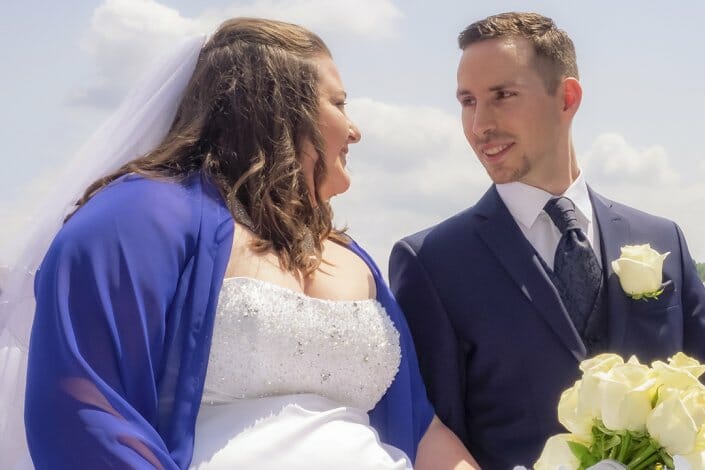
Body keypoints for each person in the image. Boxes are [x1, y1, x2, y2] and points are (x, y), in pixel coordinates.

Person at [3, 17, 478, 470]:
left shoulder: (351, 258)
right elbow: (85, 406)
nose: (354, 129)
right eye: (339, 103)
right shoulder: (139, 217)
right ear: (277, 108)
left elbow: (420, 428)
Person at [389, 11, 705, 469]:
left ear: (567, 97)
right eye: (468, 101)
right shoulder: (432, 263)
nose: (480, 125)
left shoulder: (662, 240)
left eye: (503, 96)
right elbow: (431, 433)